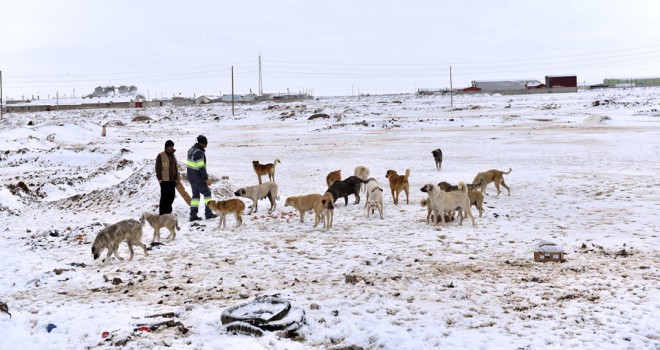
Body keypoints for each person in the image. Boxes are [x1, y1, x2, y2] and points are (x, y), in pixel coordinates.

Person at [186, 135, 218, 221]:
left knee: (195, 197)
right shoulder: (198, 152)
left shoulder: (191, 150)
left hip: (191, 177)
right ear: (201, 143)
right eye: (205, 144)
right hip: (197, 177)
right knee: (207, 193)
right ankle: (208, 213)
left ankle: (193, 215)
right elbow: (201, 167)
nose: (206, 146)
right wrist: (206, 178)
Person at [156, 140, 179, 215]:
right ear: (166, 147)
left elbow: (175, 167)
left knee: (171, 196)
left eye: (172, 146)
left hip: (172, 180)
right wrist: (159, 178)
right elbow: (158, 168)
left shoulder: (173, 155)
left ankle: (168, 211)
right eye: (170, 146)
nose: (172, 147)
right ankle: (162, 213)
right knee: (164, 197)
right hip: (164, 180)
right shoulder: (161, 155)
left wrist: (177, 177)